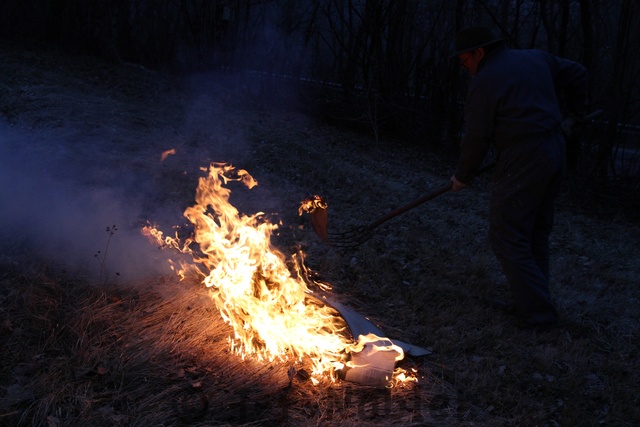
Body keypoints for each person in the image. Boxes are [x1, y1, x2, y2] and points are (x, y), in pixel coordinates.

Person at [449, 26, 588, 331]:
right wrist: (574, 116)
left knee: (507, 235)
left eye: (465, 60)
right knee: (534, 231)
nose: (465, 67)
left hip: (523, 158)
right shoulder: (537, 58)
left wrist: (463, 176)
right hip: (555, 149)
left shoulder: (486, 80)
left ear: (479, 52)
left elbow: (476, 137)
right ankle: (532, 302)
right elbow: (578, 72)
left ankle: (538, 316)